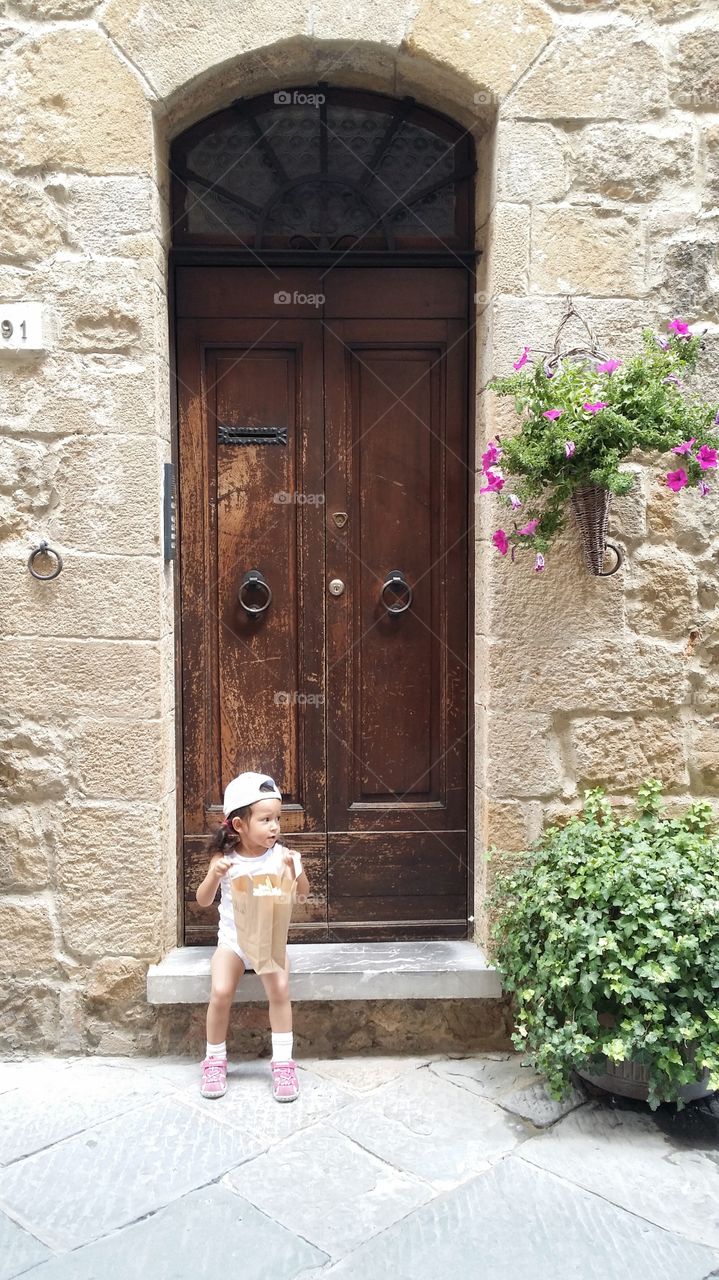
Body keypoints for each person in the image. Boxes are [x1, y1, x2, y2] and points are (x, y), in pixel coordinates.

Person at [195, 771, 310, 1103]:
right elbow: (203, 900)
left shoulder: (282, 857)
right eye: (265, 819)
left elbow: (302, 895)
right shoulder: (225, 860)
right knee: (220, 991)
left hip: (269, 941)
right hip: (233, 943)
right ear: (239, 825)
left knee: (280, 988)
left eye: (277, 819)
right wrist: (213, 877)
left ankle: (283, 1063)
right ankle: (214, 1059)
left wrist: (296, 872)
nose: (274, 826)